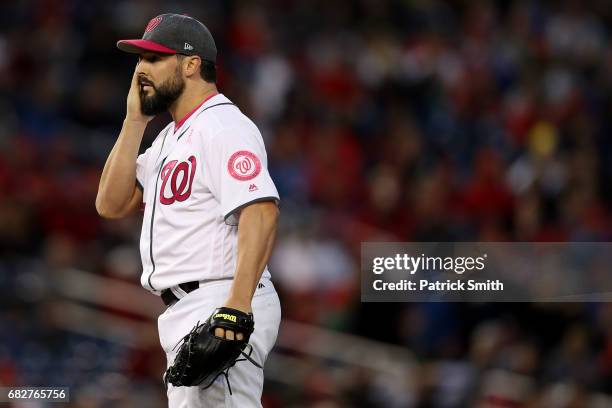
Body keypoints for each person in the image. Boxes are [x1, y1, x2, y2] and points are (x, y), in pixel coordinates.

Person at [95, 13, 281, 407]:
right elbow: (110, 203)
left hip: (222, 298)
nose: (140, 69)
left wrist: (236, 305)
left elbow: (261, 212)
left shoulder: (223, 126)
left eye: (153, 59)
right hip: (188, 307)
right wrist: (134, 120)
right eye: (140, 59)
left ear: (191, 64)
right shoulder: (168, 137)